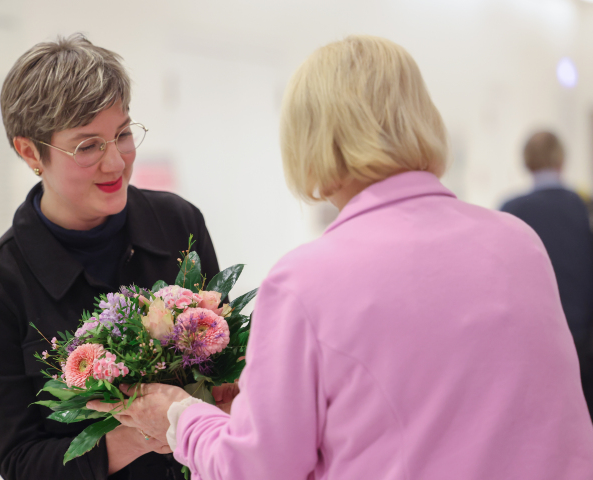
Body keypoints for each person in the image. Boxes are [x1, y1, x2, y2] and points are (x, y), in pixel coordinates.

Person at [89, 36, 593, 479]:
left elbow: (257, 471)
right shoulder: (519, 242)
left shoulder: (306, 282)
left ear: (309, 139)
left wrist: (181, 418)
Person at [0, 34, 223, 480]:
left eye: (122, 135)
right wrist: (145, 431)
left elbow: (224, 373)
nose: (116, 163)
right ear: (30, 152)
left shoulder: (179, 223)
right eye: (87, 146)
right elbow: (22, 463)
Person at [501, 132, 593, 417]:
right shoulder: (583, 207)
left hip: (532, 338)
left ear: (526, 162)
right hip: (581, 334)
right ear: (561, 159)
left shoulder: (510, 211)